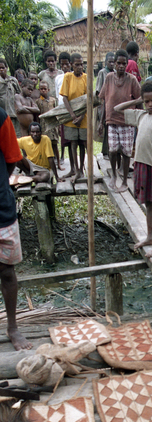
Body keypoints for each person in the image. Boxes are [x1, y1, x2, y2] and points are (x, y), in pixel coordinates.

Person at [115, 80, 152, 257]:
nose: (150, 104)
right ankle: (149, 236)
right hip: (140, 164)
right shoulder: (140, 115)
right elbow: (117, 109)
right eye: (146, 101)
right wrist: (136, 101)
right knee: (147, 204)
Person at [0, 107, 32, 351]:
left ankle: (12, 327)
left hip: (1, 207)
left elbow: (12, 160)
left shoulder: (1, 118)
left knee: (7, 271)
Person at [99, 48, 141, 193]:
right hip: (111, 120)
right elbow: (105, 100)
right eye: (119, 63)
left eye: (124, 63)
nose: (121, 66)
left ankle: (123, 180)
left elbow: (139, 99)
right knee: (112, 149)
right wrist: (101, 121)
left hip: (127, 121)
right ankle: (114, 175)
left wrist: (139, 119)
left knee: (126, 152)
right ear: (115, 64)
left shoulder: (132, 79)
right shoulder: (109, 77)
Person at [60, 53, 87, 182]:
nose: (80, 67)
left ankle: (81, 169)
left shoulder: (86, 78)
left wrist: (81, 117)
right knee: (72, 143)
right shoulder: (67, 77)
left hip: (84, 118)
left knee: (82, 144)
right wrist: (72, 115)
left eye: (81, 64)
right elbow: (65, 97)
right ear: (72, 65)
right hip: (70, 117)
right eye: (77, 64)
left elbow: (89, 99)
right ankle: (74, 169)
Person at [36, 81, 62, 170]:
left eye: (45, 89)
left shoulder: (53, 100)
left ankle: (58, 164)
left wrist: (58, 127)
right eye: (41, 89)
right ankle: (45, 164)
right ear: (39, 90)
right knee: (44, 146)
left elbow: (57, 113)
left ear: (48, 90)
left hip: (53, 126)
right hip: (43, 126)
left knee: (54, 145)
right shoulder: (38, 101)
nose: (43, 91)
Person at [95, 52, 115, 159]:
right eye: (110, 62)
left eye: (113, 62)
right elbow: (99, 91)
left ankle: (109, 151)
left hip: (113, 104)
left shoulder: (115, 73)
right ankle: (105, 152)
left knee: (111, 128)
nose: (112, 64)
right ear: (106, 62)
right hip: (104, 103)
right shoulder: (103, 73)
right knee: (105, 127)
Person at [54, 52, 72, 166]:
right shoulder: (58, 78)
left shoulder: (73, 77)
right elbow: (57, 95)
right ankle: (62, 156)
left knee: (72, 135)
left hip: (73, 108)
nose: (64, 67)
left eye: (66, 64)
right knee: (62, 133)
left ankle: (73, 158)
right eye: (62, 65)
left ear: (70, 64)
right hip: (62, 109)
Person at [0, 59, 20, 135]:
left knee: (15, 135)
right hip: (2, 114)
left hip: (13, 113)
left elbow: (19, 93)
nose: (1, 70)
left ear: (7, 68)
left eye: (3, 67)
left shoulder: (13, 80)